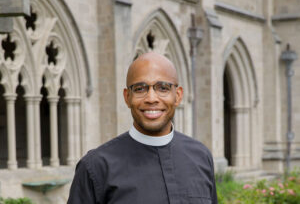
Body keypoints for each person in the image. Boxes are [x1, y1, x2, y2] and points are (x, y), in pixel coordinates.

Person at [67, 52, 218, 204]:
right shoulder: (96, 167)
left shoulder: (201, 157)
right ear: (127, 97)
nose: (151, 98)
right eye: (140, 89)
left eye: (163, 88)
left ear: (178, 96)